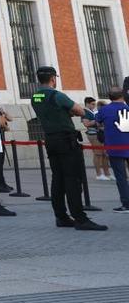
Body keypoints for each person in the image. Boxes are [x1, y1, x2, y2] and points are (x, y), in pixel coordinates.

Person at [30, 66, 106, 231]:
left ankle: (61, 216)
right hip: (66, 140)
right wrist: (73, 112)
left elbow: (51, 111)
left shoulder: (35, 96)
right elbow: (79, 110)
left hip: (50, 139)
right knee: (73, 179)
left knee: (58, 179)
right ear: (52, 79)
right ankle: (80, 218)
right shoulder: (57, 95)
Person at [95, 85, 129, 213]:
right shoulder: (128, 108)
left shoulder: (104, 110)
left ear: (109, 97)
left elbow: (98, 123)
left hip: (115, 147)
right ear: (123, 96)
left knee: (121, 177)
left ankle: (126, 204)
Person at [83, 97, 111, 180]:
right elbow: (86, 124)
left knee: (104, 154)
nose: (94, 106)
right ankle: (99, 174)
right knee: (97, 154)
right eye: (92, 104)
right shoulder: (85, 112)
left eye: (94, 104)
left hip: (100, 133)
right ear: (87, 103)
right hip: (93, 134)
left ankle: (107, 174)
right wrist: (97, 119)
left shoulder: (93, 112)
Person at [0, 96, 14, 193]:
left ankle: (2, 183)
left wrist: (3, 112)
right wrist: (6, 127)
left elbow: (10, 118)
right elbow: (1, 123)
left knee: (1, 162)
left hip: (1, 138)